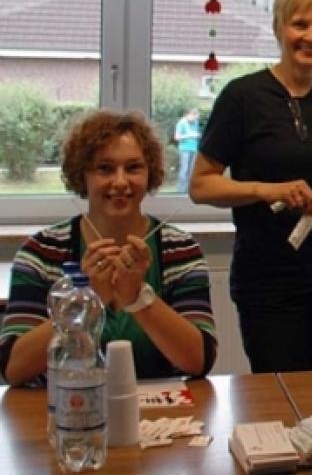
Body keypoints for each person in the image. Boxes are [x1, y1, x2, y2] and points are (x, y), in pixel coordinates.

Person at [190, 0, 312, 373]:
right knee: (279, 396)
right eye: (300, 24)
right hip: (267, 280)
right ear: (279, 28)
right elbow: (201, 185)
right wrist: (266, 191)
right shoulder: (242, 97)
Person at [0, 109, 216, 385]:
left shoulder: (180, 251)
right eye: (105, 168)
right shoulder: (42, 252)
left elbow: (199, 361)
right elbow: (13, 368)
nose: (120, 181)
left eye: (134, 167)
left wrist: (139, 297)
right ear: (82, 175)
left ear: (150, 174)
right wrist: (85, 301)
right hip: (66, 411)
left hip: (162, 414)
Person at [174, 107, 201, 193]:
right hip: (184, 149)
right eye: (194, 117)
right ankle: (181, 191)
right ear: (189, 115)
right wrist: (189, 135)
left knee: (192, 171)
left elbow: (196, 134)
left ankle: (190, 191)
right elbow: (177, 137)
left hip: (194, 148)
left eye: (196, 118)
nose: (195, 120)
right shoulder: (181, 123)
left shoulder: (195, 122)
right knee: (184, 170)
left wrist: (197, 135)